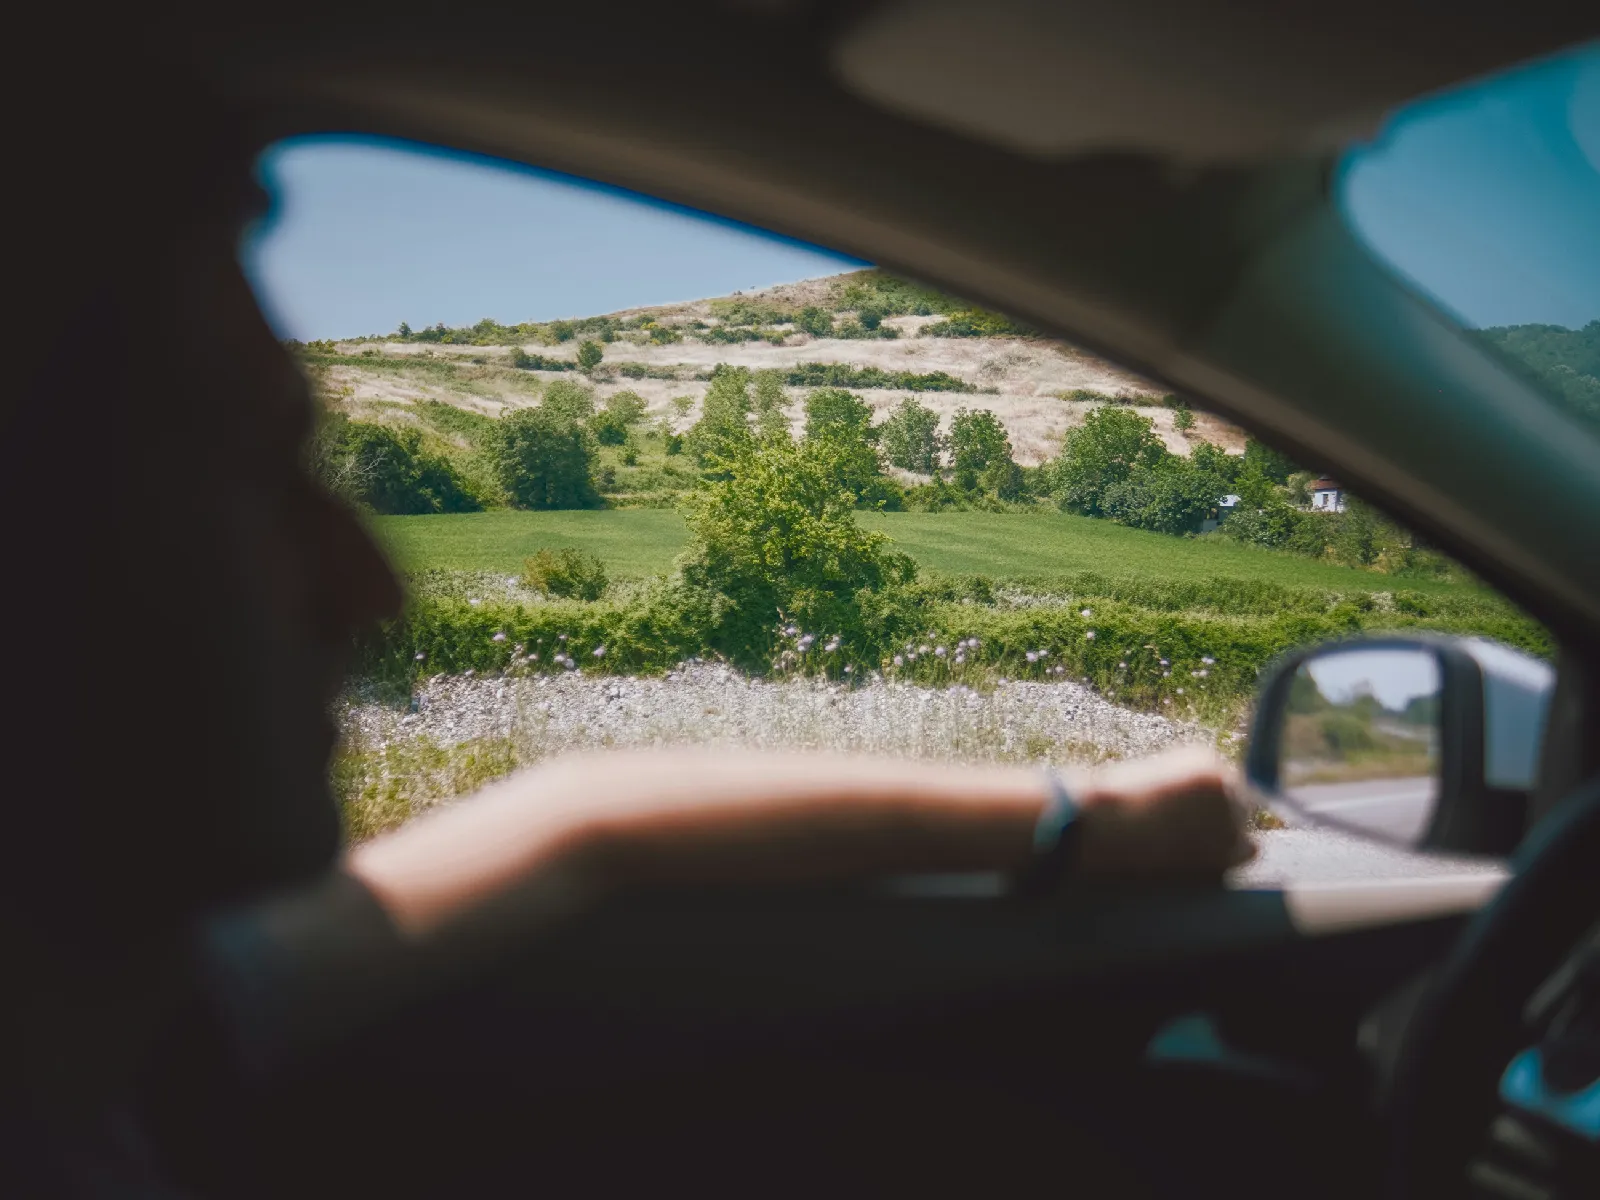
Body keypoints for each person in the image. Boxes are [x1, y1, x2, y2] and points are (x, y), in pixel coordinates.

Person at [4, 76, 1252, 1198]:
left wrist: (1098, 819)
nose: (375, 591)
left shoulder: (112, 1014)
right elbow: (583, 827)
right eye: (247, 476)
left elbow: (583, 822)